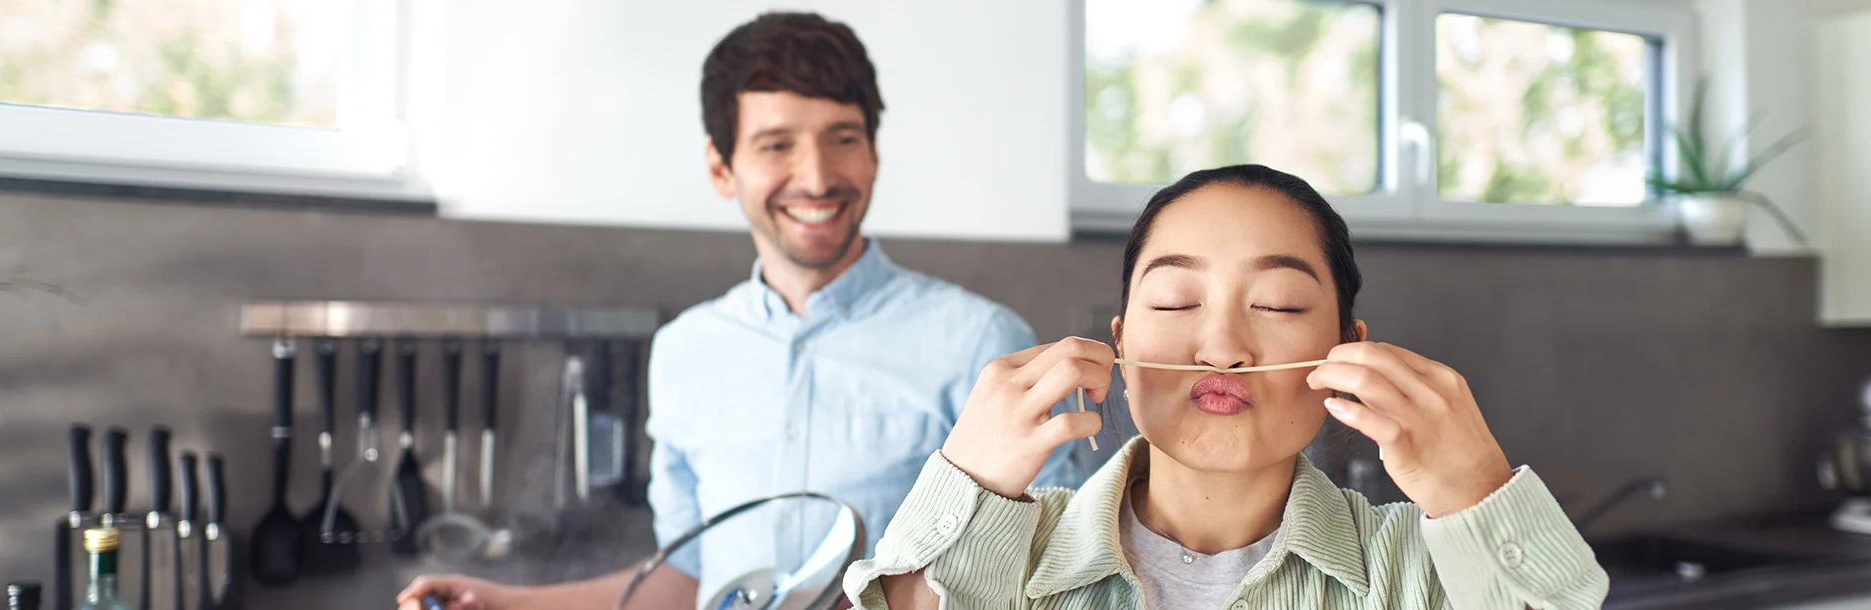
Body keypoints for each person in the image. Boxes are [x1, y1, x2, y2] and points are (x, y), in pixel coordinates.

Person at [398, 12, 1083, 610]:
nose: (817, 178)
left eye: (843, 137)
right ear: (722, 167)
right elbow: (688, 583)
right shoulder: (684, 351)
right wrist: (506, 603)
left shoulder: (981, 343)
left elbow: (1055, 574)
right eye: (777, 144)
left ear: (873, 155)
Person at [844, 164, 1608, 609]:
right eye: (1176, 303)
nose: (1221, 348)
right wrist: (965, 484)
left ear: (1348, 350)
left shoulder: (1421, 570)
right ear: (1120, 343)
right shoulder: (1007, 554)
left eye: (1277, 305)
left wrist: (1480, 489)